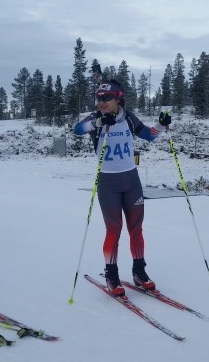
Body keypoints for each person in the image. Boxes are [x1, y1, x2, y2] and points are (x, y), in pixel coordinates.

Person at [74, 78, 172, 296]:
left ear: (118, 98)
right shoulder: (95, 118)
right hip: (108, 182)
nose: (101, 102)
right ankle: (111, 274)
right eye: (99, 98)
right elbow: (77, 129)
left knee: (136, 228)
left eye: (106, 98)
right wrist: (98, 122)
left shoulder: (128, 117)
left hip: (131, 180)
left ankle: (139, 272)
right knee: (113, 230)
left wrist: (161, 125)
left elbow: (148, 135)